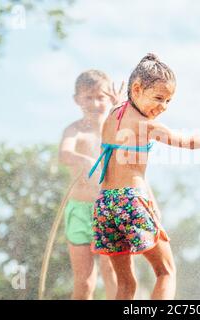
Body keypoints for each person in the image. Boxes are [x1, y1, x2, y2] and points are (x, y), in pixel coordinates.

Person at [89, 53, 200, 300]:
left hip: (105, 205)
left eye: (169, 101)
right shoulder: (147, 125)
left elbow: (121, 107)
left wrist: (122, 100)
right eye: (159, 98)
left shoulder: (113, 115)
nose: (163, 107)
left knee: (126, 284)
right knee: (165, 271)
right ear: (137, 89)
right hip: (131, 202)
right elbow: (188, 142)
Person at [58, 70, 124, 299]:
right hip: (79, 210)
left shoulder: (115, 129)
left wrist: (118, 110)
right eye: (88, 97)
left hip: (109, 209)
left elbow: (133, 170)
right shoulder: (74, 130)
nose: (95, 103)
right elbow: (64, 154)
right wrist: (84, 160)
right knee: (85, 281)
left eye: (101, 97)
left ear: (110, 99)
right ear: (77, 99)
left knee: (112, 272)